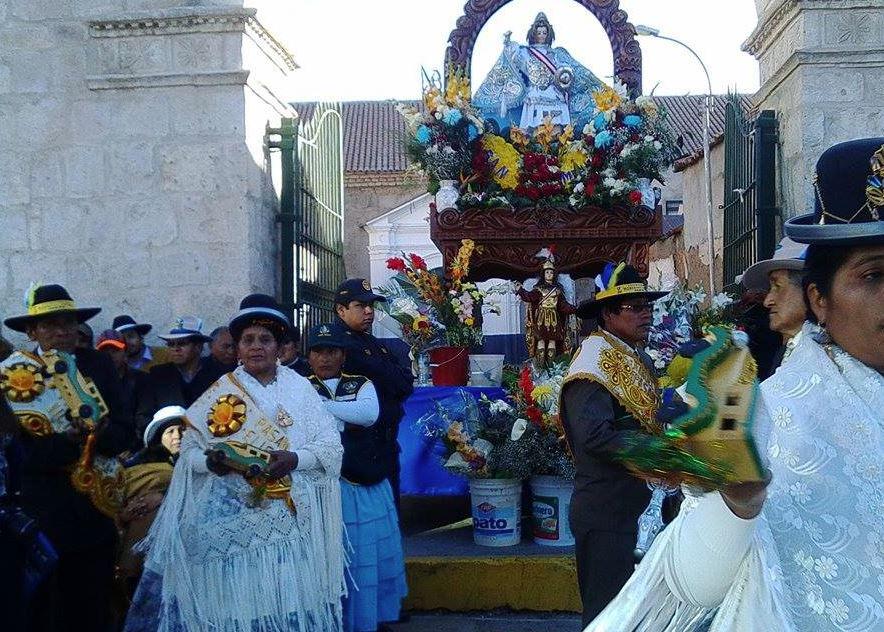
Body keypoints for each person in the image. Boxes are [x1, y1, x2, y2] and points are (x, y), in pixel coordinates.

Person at [585, 138, 884, 631]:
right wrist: (734, 499)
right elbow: (695, 587)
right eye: (874, 275)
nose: (643, 315)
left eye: (646, 306)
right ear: (821, 299)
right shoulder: (769, 411)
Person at [124, 294, 345, 632]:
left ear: (280, 347)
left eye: (265, 340)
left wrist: (294, 459)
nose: (256, 347)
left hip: (289, 522)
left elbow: (330, 448)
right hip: (230, 525)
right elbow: (189, 454)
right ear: (238, 347)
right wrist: (212, 464)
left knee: (283, 605)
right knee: (237, 611)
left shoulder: (300, 389)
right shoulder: (220, 394)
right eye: (248, 340)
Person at [2, 283, 132, 632]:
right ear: (31, 331)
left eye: (69, 322)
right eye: (51, 324)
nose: (63, 330)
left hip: (96, 510)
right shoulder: (15, 377)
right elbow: (20, 454)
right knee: (47, 608)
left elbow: (125, 428)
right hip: (45, 512)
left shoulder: (99, 365)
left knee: (92, 605)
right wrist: (68, 442)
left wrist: (99, 434)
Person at [559, 262, 667, 626]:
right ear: (607, 313)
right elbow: (596, 438)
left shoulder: (635, 356)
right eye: (634, 308)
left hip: (635, 507)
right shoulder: (593, 364)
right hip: (607, 512)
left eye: (648, 306)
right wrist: (662, 453)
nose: (646, 315)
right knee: (608, 616)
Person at [306, 324, 408, 632]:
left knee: (369, 557)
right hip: (322, 487)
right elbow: (299, 423)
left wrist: (324, 412)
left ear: (343, 356)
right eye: (318, 351)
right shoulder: (300, 387)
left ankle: (372, 619)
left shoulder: (360, 384)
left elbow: (368, 415)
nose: (325, 358)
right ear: (308, 356)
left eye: (332, 351)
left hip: (363, 481)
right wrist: (341, 416)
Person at [329, 278, 414, 511]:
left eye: (371, 306)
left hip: (384, 442)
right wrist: (395, 377)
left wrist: (395, 377)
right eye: (360, 305)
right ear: (341, 309)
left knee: (389, 513)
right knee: (367, 516)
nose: (368, 311)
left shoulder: (372, 342)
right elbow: (388, 377)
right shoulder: (339, 344)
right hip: (359, 444)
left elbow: (405, 382)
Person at [473, 12, 603, 130]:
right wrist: (507, 42)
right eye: (539, 33)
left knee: (557, 128)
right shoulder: (526, 52)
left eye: (544, 33)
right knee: (534, 129)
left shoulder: (556, 53)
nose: (541, 36)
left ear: (549, 34)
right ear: (533, 34)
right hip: (535, 93)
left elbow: (567, 70)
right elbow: (514, 55)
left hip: (554, 93)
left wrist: (565, 78)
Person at [117, 406, 185, 596]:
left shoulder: (200, 466)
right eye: (170, 431)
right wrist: (126, 514)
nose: (177, 436)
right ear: (159, 439)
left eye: (182, 430)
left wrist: (163, 498)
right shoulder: (141, 470)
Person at [136, 316, 225, 432]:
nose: (175, 349)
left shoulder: (217, 376)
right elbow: (143, 417)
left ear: (198, 347)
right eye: (171, 344)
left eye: (182, 343)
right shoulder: (157, 375)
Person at [741, 236, 807, 369]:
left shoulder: (825, 363)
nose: (767, 302)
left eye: (777, 286)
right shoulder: (783, 352)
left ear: (812, 293)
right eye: (770, 289)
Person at [513, 249, 577, 364]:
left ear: (554, 275)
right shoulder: (538, 289)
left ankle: (551, 367)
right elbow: (529, 297)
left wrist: (575, 309)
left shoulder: (557, 291)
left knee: (552, 343)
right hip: (540, 319)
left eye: (551, 272)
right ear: (543, 274)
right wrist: (520, 290)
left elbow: (563, 306)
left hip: (554, 319)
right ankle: (541, 367)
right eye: (547, 272)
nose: (549, 274)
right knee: (541, 343)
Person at [97, 329, 151, 450]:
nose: (110, 356)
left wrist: (133, 447)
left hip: (134, 444)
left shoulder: (142, 380)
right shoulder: (92, 381)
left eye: (115, 350)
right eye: (104, 351)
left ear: (125, 353)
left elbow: (143, 416)